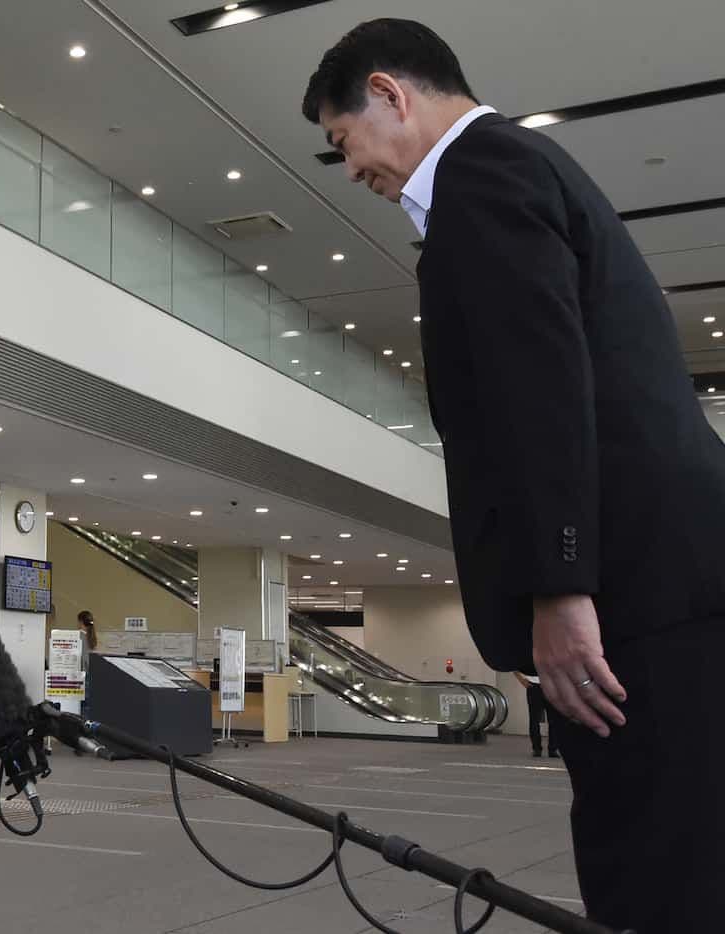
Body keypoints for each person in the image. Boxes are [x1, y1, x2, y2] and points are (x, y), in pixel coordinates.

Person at [301, 19, 725, 932]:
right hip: (674, 580)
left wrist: (562, 586)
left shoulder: (481, 178)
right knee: (684, 848)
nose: (352, 170)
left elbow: (540, 392)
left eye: (344, 142)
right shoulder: (526, 168)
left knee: (650, 866)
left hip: (634, 596)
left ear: (391, 94)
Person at [513, 672, 558, 758]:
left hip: (551, 685)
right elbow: (514, 667)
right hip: (534, 686)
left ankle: (553, 749)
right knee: (534, 719)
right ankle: (536, 748)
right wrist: (522, 680)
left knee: (554, 719)